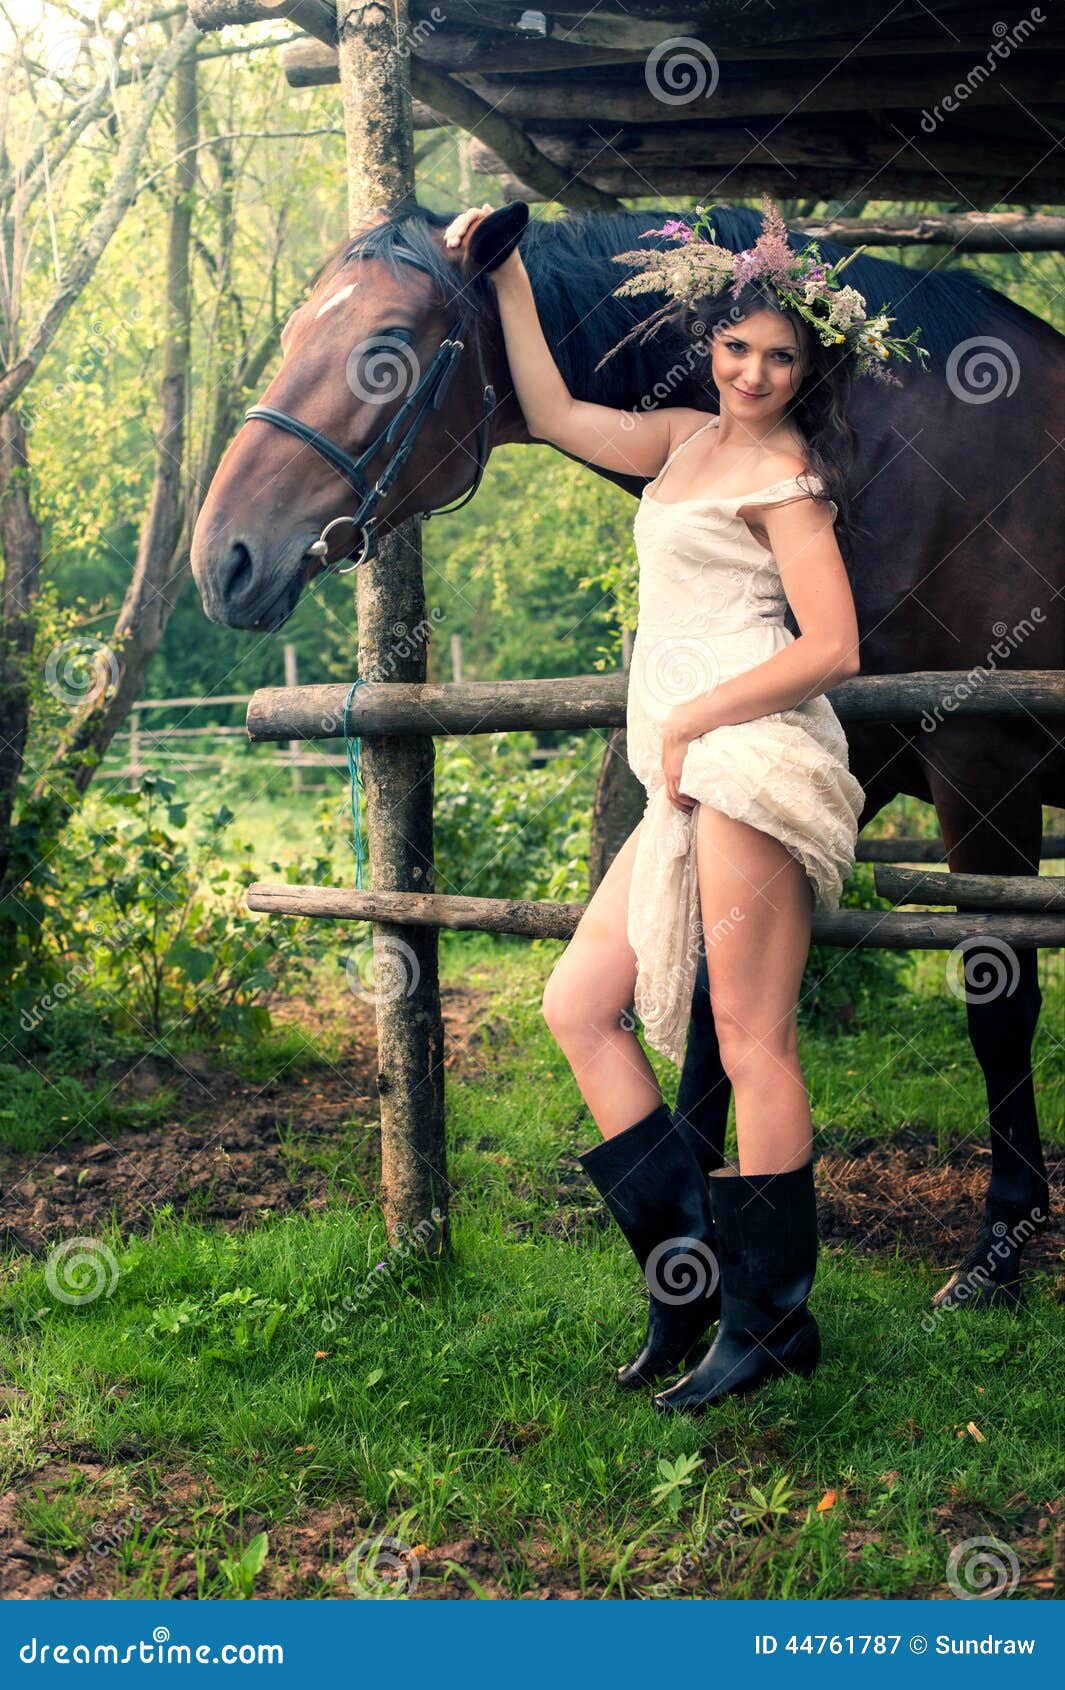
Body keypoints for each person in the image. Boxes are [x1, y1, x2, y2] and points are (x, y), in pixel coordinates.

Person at [443, 197, 927, 1416]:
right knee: (577, 1002)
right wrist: (499, 273)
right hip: (685, 771)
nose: (754, 371)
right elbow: (550, 415)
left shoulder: (786, 480)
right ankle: (686, 1280)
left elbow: (834, 646)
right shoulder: (678, 444)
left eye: (781, 356)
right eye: (739, 347)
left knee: (755, 1041)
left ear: (807, 369)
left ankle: (770, 1323)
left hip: (754, 757)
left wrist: (699, 719)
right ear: (711, 344)